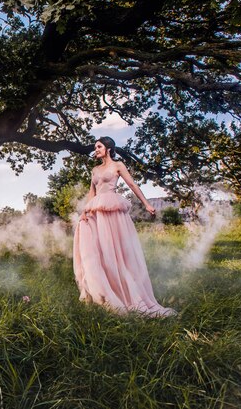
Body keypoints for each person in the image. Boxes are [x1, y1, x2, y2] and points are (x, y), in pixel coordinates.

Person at [73, 136, 176, 317]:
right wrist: (84, 211)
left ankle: (125, 291)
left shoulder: (118, 166)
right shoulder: (95, 170)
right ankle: (105, 291)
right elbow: (92, 192)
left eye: (98, 147)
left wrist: (147, 204)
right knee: (99, 251)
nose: (95, 150)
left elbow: (132, 184)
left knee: (116, 250)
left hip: (113, 210)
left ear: (108, 148)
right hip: (97, 211)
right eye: (95, 147)